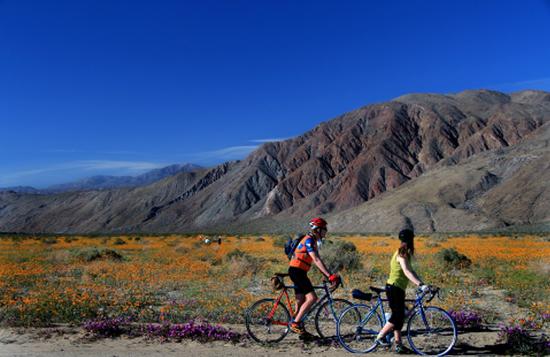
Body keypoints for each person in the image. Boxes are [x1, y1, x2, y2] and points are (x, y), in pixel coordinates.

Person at [375, 228, 429, 354]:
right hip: (394, 288)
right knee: (397, 316)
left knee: (399, 316)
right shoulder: (402, 253)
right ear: (410, 240)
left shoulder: (405, 253)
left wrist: (422, 284)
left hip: (398, 288)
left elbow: (412, 271)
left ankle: (398, 344)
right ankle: (380, 336)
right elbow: (406, 271)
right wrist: (420, 285)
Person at [287, 217, 340, 338]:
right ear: (317, 229)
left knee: (300, 301)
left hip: (298, 271)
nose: (326, 231)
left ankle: (300, 328)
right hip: (297, 271)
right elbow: (316, 259)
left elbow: (317, 261)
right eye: (324, 229)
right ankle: (295, 324)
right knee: (312, 298)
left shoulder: (311, 240)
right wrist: (329, 275)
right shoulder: (309, 240)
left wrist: (327, 274)